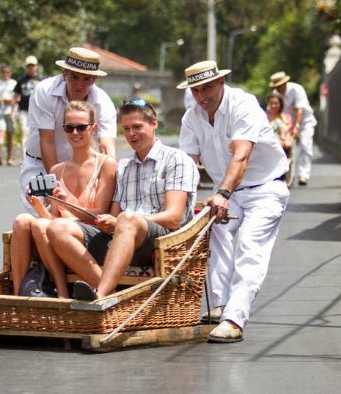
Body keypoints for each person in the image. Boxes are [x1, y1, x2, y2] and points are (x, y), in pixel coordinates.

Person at [45, 99, 199, 301]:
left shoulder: (176, 159)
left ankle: (101, 295)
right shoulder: (124, 166)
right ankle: (110, 291)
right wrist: (108, 220)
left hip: (161, 242)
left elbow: (173, 218)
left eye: (137, 127)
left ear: (154, 124)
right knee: (56, 228)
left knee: (128, 218)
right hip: (120, 236)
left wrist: (122, 220)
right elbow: (114, 216)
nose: (131, 134)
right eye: (126, 129)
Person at [179, 60, 289, 343]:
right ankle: (218, 306)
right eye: (196, 91)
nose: (203, 96)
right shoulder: (191, 117)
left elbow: (241, 156)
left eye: (207, 88)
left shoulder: (243, 104)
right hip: (226, 191)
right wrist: (184, 203)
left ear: (221, 84)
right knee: (212, 229)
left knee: (250, 249)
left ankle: (234, 319)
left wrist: (223, 194)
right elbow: (187, 167)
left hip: (265, 188)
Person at [10, 101, 117, 298]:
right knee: (23, 220)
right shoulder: (57, 170)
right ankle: (18, 296)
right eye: (69, 128)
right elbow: (51, 218)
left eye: (81, 127)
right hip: (58, 231)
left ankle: (62, 293)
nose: (75, 133)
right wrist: (38, 204)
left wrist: (67, 201)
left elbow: (99, 215)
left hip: (91, 233)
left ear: (93, 128)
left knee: (46, 226)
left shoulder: (106, 164)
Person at [18, 47, 117, 212]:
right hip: (40, 164)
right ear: (64, 74)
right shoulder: (45, 91)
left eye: (86, 79)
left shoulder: (103, 102)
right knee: (39, 220)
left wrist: (108, 183)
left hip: (80, 168)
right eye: (74, 77)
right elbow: (47, 142)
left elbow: (107, 148)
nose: (79, 85)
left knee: (80, 219)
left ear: (94, 79)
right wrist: (58, 184)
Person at [269, 71, 317, 186]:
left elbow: (299, 109)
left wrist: (296, 126)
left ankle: (303, 174)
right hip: (286, 123)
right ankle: (288, 174)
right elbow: (274, 111)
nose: (278, 88)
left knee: (305, 145)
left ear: (284, 83)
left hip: (304, 122)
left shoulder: (296, 89)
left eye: (279, 86)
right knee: (287, 148)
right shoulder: (276, 93)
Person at [0, 63, 17, 166]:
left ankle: (9, 158)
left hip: (10, 112)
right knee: (0, 133)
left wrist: (4, 99)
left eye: (8, 72)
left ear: (11, 73)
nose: (5, 74)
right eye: (4, 72)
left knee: (10, 135)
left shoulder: (14, 83)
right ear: (1, 73)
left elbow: (16, 98)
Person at [13, 55, 42, 156]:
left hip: (38, 111)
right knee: (24, 132)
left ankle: (35, 154)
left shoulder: (41, 80)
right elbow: (16, 95)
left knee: (36, 133)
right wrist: (13, 110)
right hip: (24, 110)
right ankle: (25, 156)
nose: (31, 68)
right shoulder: (21, 80)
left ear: (36, 66)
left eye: (33, 66)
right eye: (29, 66)